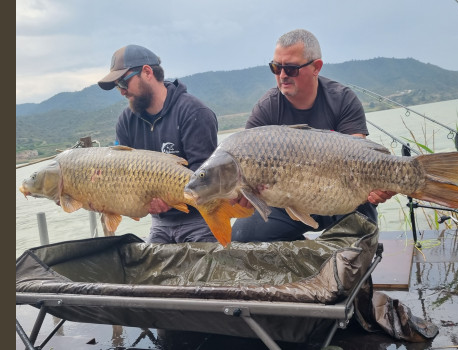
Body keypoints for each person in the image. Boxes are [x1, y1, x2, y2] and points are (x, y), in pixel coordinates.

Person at [231, 29, 395, 242]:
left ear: (316, 67)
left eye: (290, 68)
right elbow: (245, 165)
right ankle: (301, 251)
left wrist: (382, 186)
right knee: (242, 236)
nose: (282, 75)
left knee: (354, 251)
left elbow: (362, 161)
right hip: (287, 203)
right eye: (276, 67)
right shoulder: (266, 109)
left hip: (344, 198)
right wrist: (247, 195)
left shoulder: (342, 100)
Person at [98, 44, 219, 244]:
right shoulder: (126, 121)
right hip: (159, 223)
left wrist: (171, 200)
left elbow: (206, 177)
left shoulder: (194, 112)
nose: (121, 91)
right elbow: (119, 173)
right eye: (117, 86)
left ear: (147, 72)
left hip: (199, 219)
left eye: (123, 82)